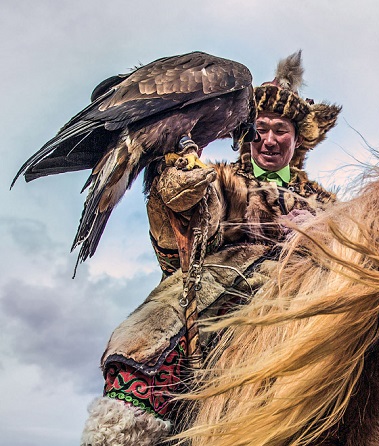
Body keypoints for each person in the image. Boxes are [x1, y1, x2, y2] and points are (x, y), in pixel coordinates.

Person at [80, 50, 340, 446]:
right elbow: (176, 253)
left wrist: (323, 234)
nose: (269, 140)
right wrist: (175, 199)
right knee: (146, 339)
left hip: (309, 290)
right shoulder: (215, 178)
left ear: (298, 139)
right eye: (262, 127)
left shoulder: (330, 206)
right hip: (223, 284)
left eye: (280, 130)